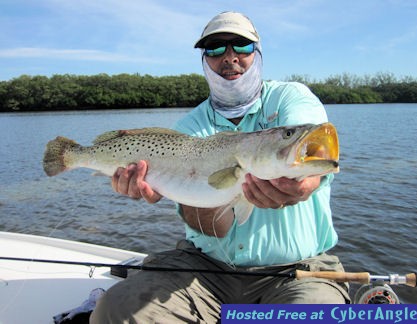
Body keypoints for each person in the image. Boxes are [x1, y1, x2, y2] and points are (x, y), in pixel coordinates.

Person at [90, 11, 350, 323]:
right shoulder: (189, 127)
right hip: (204, 271)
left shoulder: (290, 97)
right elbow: (215, 224)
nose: (229, 57)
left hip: (298, 273)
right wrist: (159, 187)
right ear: (204, 60)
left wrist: (304, 183)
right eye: (215, 49)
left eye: (241, 46)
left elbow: (311, 150)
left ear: (257, 54)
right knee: (117, 309)